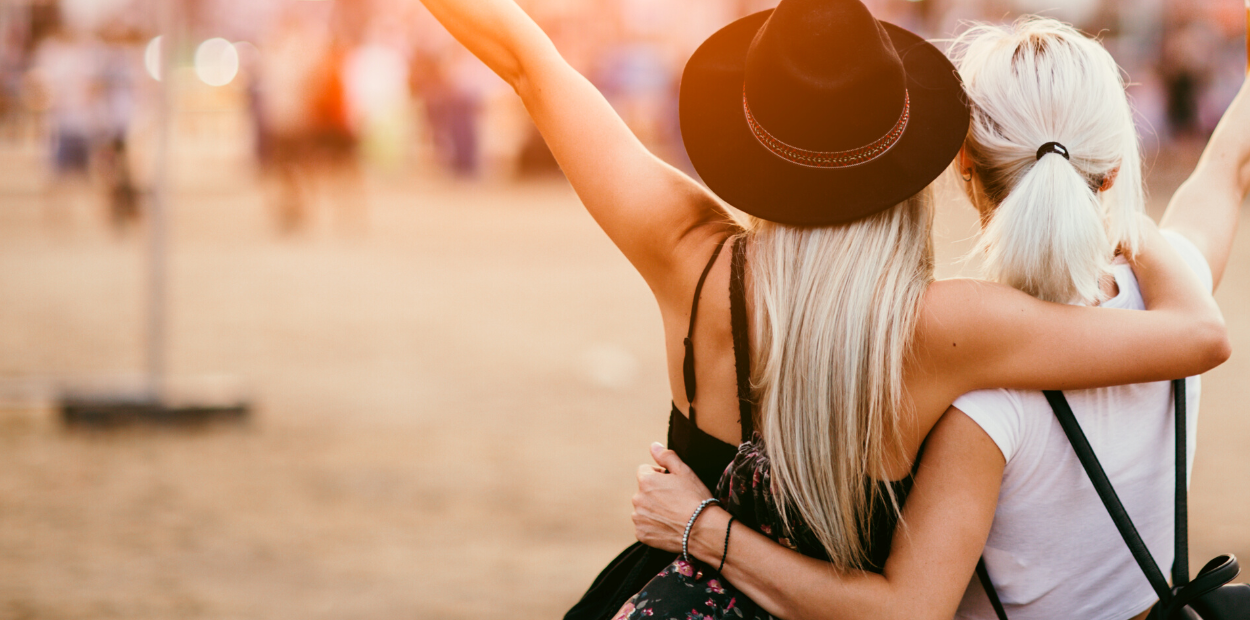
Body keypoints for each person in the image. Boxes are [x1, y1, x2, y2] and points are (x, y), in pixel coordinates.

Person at [405, 2, 1229, 620]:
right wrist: (1130, 222)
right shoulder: (950, 328)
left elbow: (526, 60)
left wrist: (698, 524)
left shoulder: (686, 254)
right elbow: (1192, 336)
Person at [630, 17, 1249, 620]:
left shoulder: (975, 393)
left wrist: (705, 529)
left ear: (962, 164)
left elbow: (906, 610)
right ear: (1113, 167)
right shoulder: (1168, 298)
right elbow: (1226, 168)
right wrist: (1128, 222)